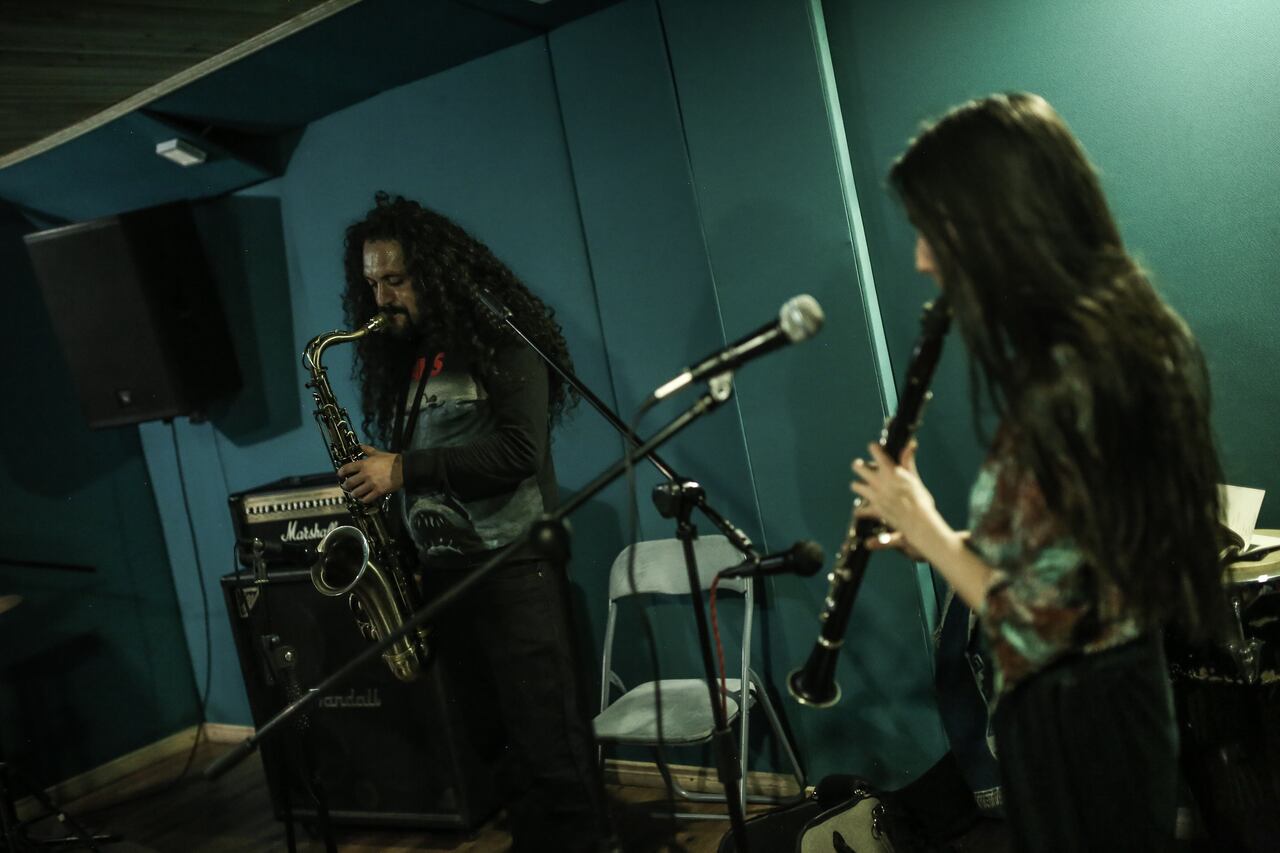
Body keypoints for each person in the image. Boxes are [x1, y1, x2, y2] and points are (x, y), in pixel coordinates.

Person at [850, 93, 1226, 852]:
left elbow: (1045, 616)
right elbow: (1062, 555)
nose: (923, 257)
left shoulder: (1077, 373)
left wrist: (920, 515)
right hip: (1091, 701)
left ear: (994, 222)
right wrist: (941, 542)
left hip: (1085, 715)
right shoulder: (1097, 339)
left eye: (932, 230)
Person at [333, 192, 615, 852]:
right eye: (371, 282)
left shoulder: (500, 335)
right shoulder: (405, 358)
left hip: (513, 565)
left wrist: (402, 470)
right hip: (445, 575)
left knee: (550, 740)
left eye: (395, 279)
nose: (381, 297)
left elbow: (518, 452)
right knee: (491, 739)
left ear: (435, 270)